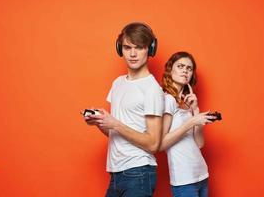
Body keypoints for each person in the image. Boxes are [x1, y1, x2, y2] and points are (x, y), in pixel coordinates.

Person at [84, 22, 164, 197]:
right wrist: (100, 122)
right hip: (116, 172)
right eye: (128, 48)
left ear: (150, 49)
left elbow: (153, 143)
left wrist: (115, 124)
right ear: (120, 49)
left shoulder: (152, 89)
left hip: (139, 172)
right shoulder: (118, 83)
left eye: (139, 47)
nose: (133, 54)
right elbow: (116, 132)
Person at [160, 51, 216, 197]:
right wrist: (191, 122)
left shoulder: (187, 102)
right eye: (180, 66)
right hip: (183, 179)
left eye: (189, 68)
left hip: (202, 174)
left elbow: (199, 143)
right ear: (170, 69)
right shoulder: (167, 100)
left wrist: (195, 110)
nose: (185, 70)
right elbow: (161, 143)